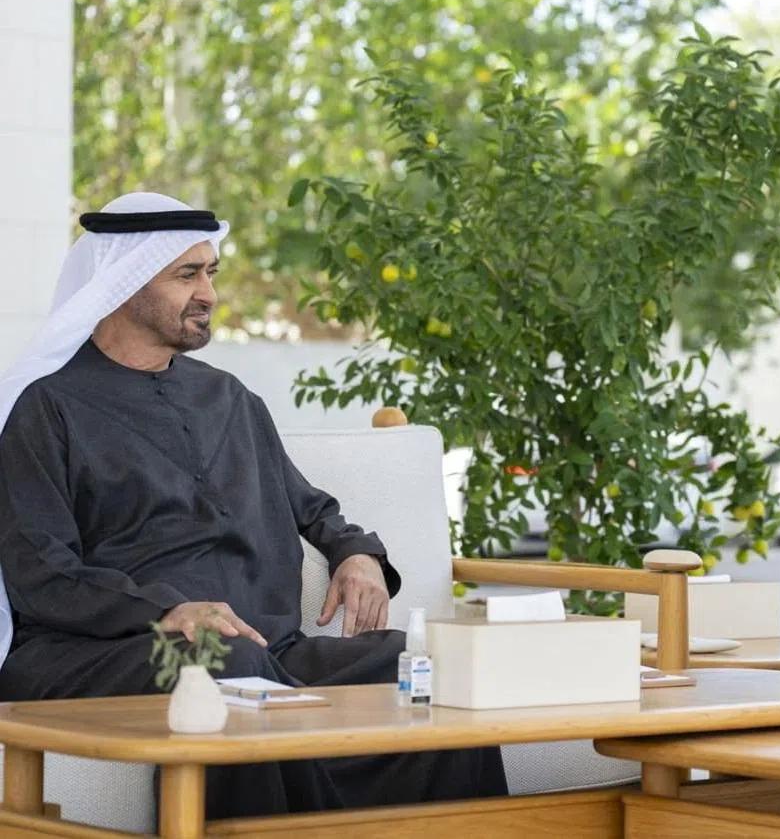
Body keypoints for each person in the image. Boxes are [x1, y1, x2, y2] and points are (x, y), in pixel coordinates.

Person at [0, 192, 506, 820]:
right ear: (125, 283)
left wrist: (356, 552)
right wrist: (167, 611)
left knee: (425, 665)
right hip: (103, 651)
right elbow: (40, 572)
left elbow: (311, 505)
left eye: (211, 273)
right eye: (187, 274)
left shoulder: (230, 399)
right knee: (226, 661)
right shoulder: (47, 409)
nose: (208, 292)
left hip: (268, 648)